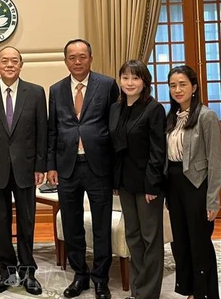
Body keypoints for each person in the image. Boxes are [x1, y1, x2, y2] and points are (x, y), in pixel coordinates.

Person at [46, 39, 119, 299]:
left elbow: (114, 127)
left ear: (90, 58)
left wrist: (115, 168)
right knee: (72, 224)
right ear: (66, 60)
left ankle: (101, 278)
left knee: (101, 225)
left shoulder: (107, 85)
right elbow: (52, 130)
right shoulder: (56, 90)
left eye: (82, 56)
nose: (77, 62)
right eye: (72, 57)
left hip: (98, 166)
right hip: (67, 167)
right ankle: (80, 275)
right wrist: (51, 165)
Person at [0, 46, 47, 295]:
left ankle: (28, 272)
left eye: (14, 60)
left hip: (27, 168)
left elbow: (42, 132)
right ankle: (6, 271)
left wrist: (40, 165)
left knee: (27, 221)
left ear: (21, 64)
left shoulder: (36, 93)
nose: (9, 64)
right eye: (4, 60)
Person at [109, 60, 166, 299]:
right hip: (124, 182)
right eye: (125, 78)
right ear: (120, 81)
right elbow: (113, 147)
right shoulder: (115, 108)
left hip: (147, 184)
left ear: (145, 82)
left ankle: (148, 292)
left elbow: (158, 151)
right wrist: (115, 181)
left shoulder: (154, 109)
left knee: (150, 238)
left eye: (135, 78)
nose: (130, 83)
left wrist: (153, 184)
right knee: (132, 235)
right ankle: (138, 288)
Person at [165, 65, 220, 299]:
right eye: (173, 85)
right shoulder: (171, 117)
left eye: (183, 84)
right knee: (181, 242)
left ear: (194, 87)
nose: (177, 89)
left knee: (199, 242)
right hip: (174, 185)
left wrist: (213, 200)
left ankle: (204, 293)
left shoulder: (206, 116)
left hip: (197, 185)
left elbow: (215, 161)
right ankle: (188, 290)